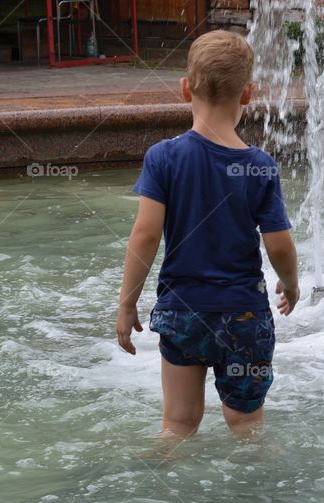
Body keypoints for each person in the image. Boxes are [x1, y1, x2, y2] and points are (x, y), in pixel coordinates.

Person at [115, 30, 299, 438]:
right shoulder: (259, 165)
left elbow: (145, 234)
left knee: (178, 424)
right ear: (248, 94)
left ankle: (162, 492)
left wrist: (127, 303)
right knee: (247, 425)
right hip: (244, 316)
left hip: (183, 312)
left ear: (185, 89)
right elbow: (279, 243)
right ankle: (256, 498)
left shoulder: (163, 157)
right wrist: (291, 284)